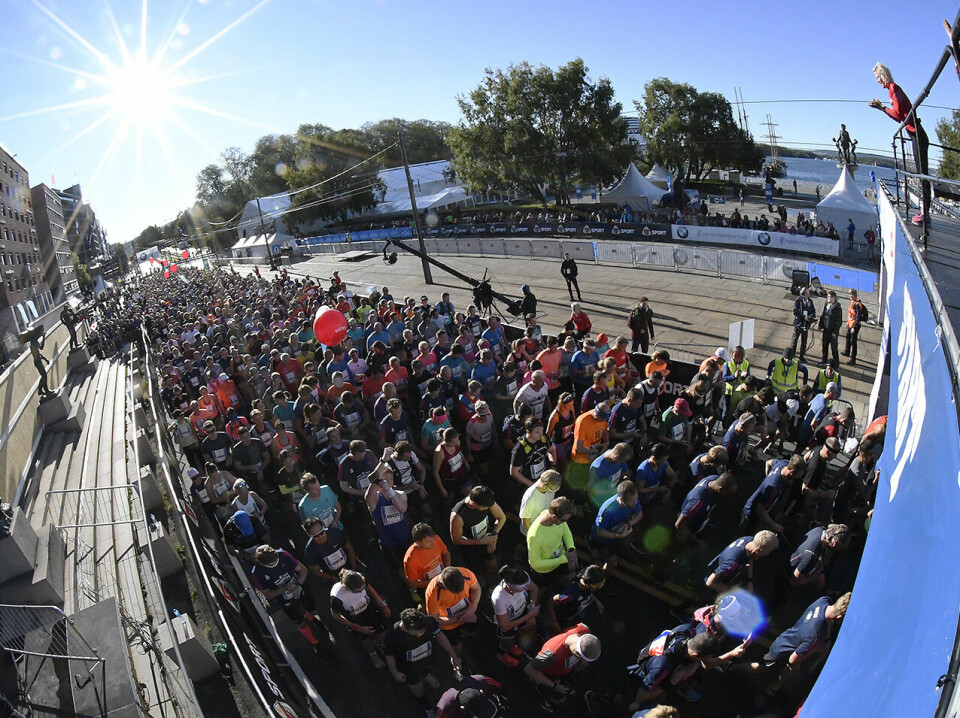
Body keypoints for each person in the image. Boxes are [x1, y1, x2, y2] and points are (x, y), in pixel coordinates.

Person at [870, 62, 930, 234]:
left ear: (883, 75)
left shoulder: (894, 89)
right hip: (915, 134)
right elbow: (900, 116)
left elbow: (897, 115)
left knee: (922, 174)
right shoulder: (893, 90)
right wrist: (882, 108)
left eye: (877, 78)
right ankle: (925, 212)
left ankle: (925, 214)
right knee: (921, 174)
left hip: (917, 134)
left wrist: (882, 108)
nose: (877, 81)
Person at [753, 593, 851, 693]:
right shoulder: (816, 635)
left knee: (776, 645)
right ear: (839, 617)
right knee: (761, 666)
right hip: (781, 650)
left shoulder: (824, 600)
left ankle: (755, 638)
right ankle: (771, 687)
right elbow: (793, 659)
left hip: (788, 634)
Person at [251, 544, 332, 653]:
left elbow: (303, 570)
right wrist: (285, 588)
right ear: (263, 563)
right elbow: (268, 595)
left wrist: (298, 585)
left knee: (312, 609)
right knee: (300, 622)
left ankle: (312, 618)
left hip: (299, 589)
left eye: (276, 561)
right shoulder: (257, 573)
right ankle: (315, 642)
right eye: (272, 564)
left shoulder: (283, 554)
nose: (276, 564)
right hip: (285, 601)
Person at [384, 608, 461, 714]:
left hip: (427, 658)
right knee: (418, 690)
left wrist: (453, 655)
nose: (420, 634)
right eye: (417, 632)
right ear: (406, 628)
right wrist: (395, 672)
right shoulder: (391, 636)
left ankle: (426, 675)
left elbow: (440, 636)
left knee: (427, 669)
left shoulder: (429, 621)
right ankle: (427, 708)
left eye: (423, 631)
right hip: (408, 666)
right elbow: (389, 655)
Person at [524, 623, 601, 713]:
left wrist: (581, 661)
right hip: (552, 676)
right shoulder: (553, 654)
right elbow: (529, 669)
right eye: (582, 658)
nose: (584, 662)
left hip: (567, 670)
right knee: (560, 698)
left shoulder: (583, 629)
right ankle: (549, 703)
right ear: (576, 652)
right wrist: (554, 686)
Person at [330, 569, 391, 668]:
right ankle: (373, 654)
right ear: (347, 588)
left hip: (369, 610)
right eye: (358, 591)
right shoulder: (337, 596)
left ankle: (381, 644)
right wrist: (357, 627)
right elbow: (335, 615)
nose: (361, 591)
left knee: (382, 631)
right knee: (365, 640)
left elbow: (371, 589)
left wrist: (383, 605)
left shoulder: (360, 577)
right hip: (354, 619)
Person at [449, 486, 507, 575]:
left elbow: (501, 517)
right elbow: (456, 539)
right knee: (473, 571)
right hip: (469, 546)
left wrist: (493, 535)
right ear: (474, 503)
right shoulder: (458, 516)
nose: (487, 509)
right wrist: (480, 541)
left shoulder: (485, 499)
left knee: (493, 566)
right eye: (484, 507)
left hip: (487, 539)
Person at [490, 566, 540, 666]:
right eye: (523, 588)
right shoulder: (499, 598)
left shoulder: (521, 577)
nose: (527, 588)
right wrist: (530, 615)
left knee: (527, 631)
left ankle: (515, 645)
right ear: (510, 588)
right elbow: (505, 626)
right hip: (508, 620)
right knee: (508, 642)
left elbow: (534, 589)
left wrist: (531, 606)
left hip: (523, 611)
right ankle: (501, 654)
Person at [424, 567, 482, 651]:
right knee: (457, 647)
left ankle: (466, 635)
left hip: (468, 614)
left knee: (474, 633)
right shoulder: (432, 594)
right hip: (449, 624)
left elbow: (477, 589)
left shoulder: (466, 573)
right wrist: (459, 619)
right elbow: (435, 620)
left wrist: (473, 607)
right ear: (445, 586)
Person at [527, 497, 578, 590]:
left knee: (570, 576)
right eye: (563, 520)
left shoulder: (558, 519)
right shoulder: (535, 536)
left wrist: (571, 549)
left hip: (561, 557)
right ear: (554, 517)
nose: (565, 522)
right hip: (543, 571)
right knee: (542, 590)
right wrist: (563, 559)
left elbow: (566, 532)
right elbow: (535, 564)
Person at [705, 530, 779, 594]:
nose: (767, 555)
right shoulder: (733, 562)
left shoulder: (750, 541)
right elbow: (709, 582)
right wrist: (728, 591)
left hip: (730, 572)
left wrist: (750, 581)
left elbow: (750, 559)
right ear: (757, 551)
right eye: (764, 554)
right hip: (714, 581)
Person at [589, 480, 643, 568]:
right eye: (632, 501)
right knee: (612, 563)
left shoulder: (632, 499)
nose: (635, 503)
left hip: (615, 533)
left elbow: (639, 514)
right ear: (622, 500)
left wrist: (628, 524)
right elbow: (600, 532)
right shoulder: (608, 510)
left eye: (636, 499)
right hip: (602, 540)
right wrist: (618, 536)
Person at [789, 523, 850, 588]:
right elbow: (794, 581)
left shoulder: (820, 529)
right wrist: (816, 577)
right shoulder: (811, 555)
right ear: (834, 545)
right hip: (788, 575)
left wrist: (820, 561)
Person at [302, 516, 357, 582]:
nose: (320, 537)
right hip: (332, 576)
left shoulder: (336, 533)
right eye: (316, 536)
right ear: (309, 535)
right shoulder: (310, 551)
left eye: (321, 532)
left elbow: (349, 549)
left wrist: (353, 567)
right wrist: (335, 579)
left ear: (324, 527)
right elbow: (317, 571)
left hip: (349, 567)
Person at [436, 675, 505, 718]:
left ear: (481, 692)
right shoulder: (445, 707)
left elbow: (499, 687)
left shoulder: (482, 681)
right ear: (463, 708)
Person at [519, 469, 562, 536]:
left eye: (557, 489)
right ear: (544, 485)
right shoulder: (530, 499)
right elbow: (525, 521)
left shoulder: (550, 482)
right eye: (552, 489)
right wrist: (536, 536)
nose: (554, 491)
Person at [791, 288, 816, 361]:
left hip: (806, 325)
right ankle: (792, 355)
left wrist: (812, 317)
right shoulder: (798, 301)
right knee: (794, 340)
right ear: (804, 294)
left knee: (804, 342)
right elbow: (795, 312)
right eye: (807, 293)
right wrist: (804, 317)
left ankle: (802, 356)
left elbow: (813, 310)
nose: (809, 294)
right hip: (798, 324)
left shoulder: (810, 301)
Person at [819, 291, 843, 365]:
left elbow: (839, 322)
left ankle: (836, 363)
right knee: (825, 346)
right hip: (826, 330)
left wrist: (835, 332)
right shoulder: (827, 304)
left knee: (834, 348)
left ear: (833, 298)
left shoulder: (837, 308)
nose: (828, 298)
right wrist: (821, 325)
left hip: (832, 332)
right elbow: (823, 315)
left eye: (830, 297)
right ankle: (824, 360)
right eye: (828, 297)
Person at [841, 289, 864, 365]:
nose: (850, 296)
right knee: (848, 337)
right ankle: (847, 351)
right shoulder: (852, 302)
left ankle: (853, 359)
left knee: (853, 342)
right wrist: (848, 322)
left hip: (855, 325)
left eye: (851, 294)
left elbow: (858, 317)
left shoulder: (857, 305)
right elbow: (850, 313)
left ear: (854, 295)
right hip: (851, 323)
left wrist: (854, 327)